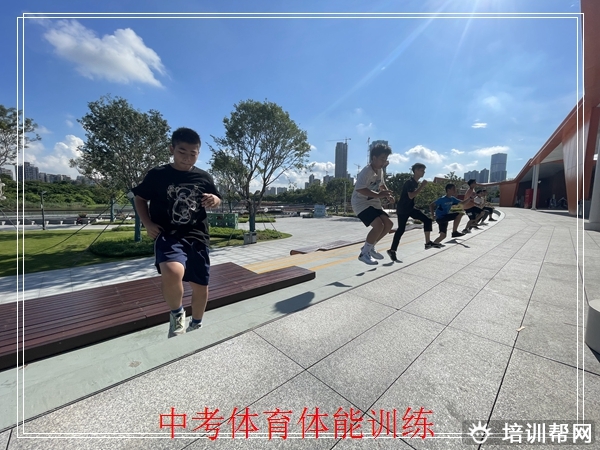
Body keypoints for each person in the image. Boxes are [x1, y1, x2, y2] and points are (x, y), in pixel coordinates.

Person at [132, 127, 222, 338]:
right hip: (168, 234)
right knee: (172, 271)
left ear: (198, 153)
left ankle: (196, 323)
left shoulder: (203, 177)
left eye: (193, 153)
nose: (187, 157)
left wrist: (215, 200)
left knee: (200, 285)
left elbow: (217, 198)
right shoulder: (158, 175)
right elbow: (139, 198)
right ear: (172, 149)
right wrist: (147, 223)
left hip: (197, 236)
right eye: (182, 152)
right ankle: (177, 313)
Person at [351, 142, 395, 265]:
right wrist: (380, 195)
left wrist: (388, 195)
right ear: (374, 158)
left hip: (373, 202)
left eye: (386, 159)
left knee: (389, 224)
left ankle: (370, 247)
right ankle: (364, 254)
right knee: (378, 226)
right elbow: (360, 189)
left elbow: (381, 185)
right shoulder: (366, 172)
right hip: (361, 203)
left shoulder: (380, 170)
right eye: (382, 159)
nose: (384, 162)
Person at [388, 163, 436, 263]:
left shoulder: (415, 182)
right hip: (403, 209)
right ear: (416, 171)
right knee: (401, 229)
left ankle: (428, 243)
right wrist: (422, 186)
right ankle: (392, 251)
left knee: (427, 220)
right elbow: (411, 196)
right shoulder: (409, 182)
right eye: (422, 170)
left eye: (424, 171)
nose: (424, 172)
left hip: (410, 208)